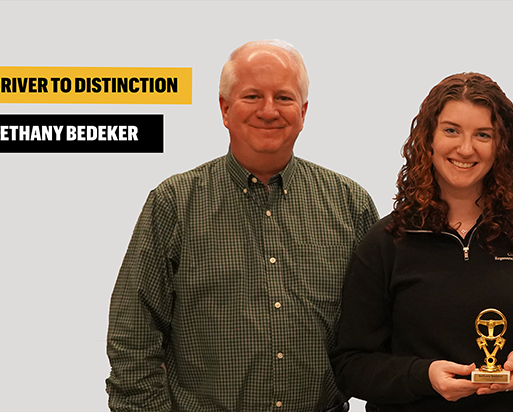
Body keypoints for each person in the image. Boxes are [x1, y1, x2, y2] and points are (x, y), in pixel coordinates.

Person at [106, 39, 378, 411]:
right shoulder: (174, 204)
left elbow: (379, 333)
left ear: (303, 111)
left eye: (283, 97)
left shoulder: (350, 205)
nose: (269, 111)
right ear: (224, 108)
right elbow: (133, 337)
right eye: (252, 96)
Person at [330, 73, 513, 411]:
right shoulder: (386, 241)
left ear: (502, 146)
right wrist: (423, 376)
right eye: (451, 131)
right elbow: (351, 364)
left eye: (483, 134)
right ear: (428, 139)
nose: (466, 149)